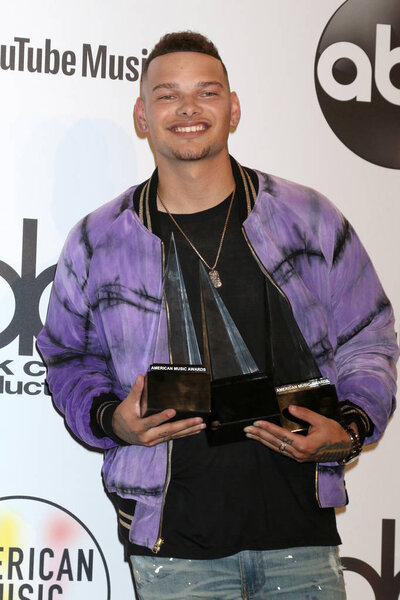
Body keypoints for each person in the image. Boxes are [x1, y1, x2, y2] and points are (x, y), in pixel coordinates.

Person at [37, 31, 398, 599]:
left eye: (206, 92)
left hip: (300, 537)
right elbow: (66, 356)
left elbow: (369, 338)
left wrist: (349, 429)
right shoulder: (98, 239)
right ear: (142, 114)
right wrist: (111, 419)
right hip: (172, 548)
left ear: (233, 108)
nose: (187, 108)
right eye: (167, 95)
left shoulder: (307, 218)